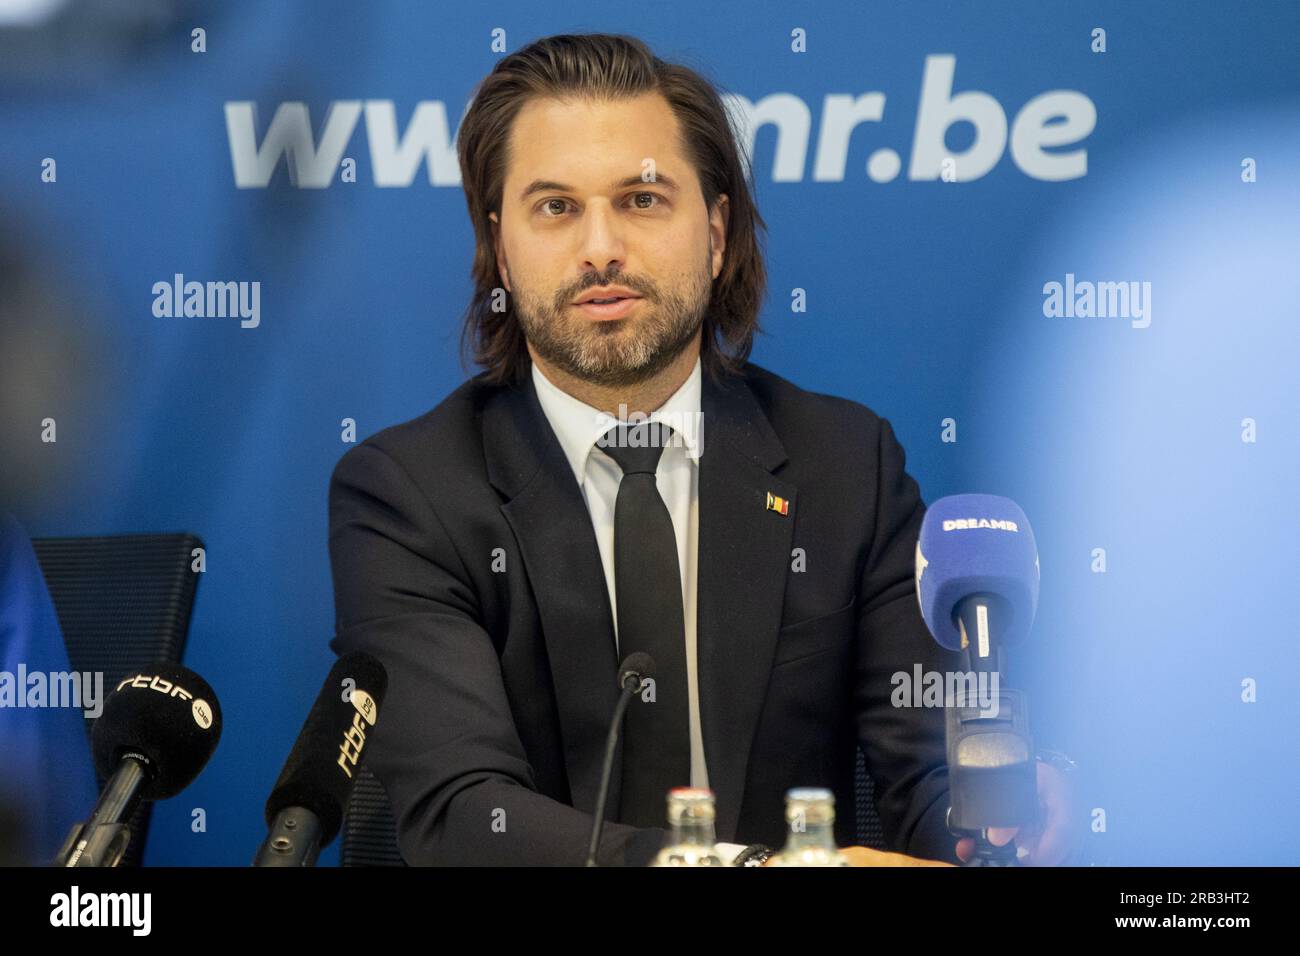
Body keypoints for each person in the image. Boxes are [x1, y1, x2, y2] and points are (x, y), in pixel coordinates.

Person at [327, 32, 1076, 866]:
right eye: (556, 207)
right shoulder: (408, 493)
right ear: (501, 246)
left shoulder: (844, 465)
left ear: (716, 232)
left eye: (642, 201)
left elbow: (924, 784)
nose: (600, 247)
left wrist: (994, 817)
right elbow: (461, 814)